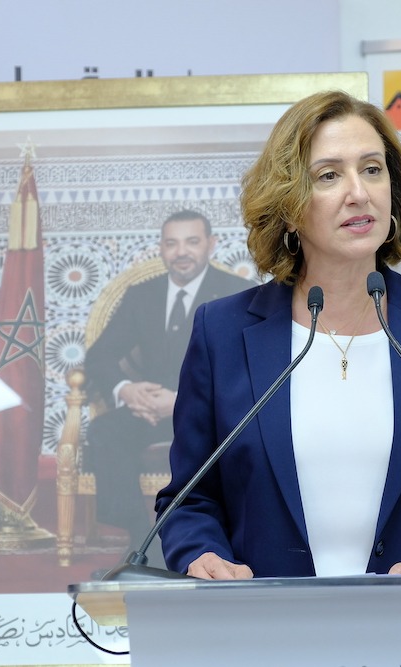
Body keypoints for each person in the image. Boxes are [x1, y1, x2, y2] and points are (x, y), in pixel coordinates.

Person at [155, 91, 401, 579]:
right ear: (289, 207)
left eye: (372, 169)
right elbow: (189, 500)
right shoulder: (223, 332)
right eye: (328, 176)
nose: (358, 193)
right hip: (261, 618)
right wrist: (203, 556)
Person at [83, 209, 253, 550]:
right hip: (150, 411)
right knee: (105, 431)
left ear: (211, 244)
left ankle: (213, 540)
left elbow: (247, 366)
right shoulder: (141, 295)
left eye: (192, 241)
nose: (181, 252)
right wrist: (128, 391)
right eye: (172, 243)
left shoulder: (238, 292)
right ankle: (141, 541)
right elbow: (99, 357)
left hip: (211, 415)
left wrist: (181, 401)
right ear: (161, 248)